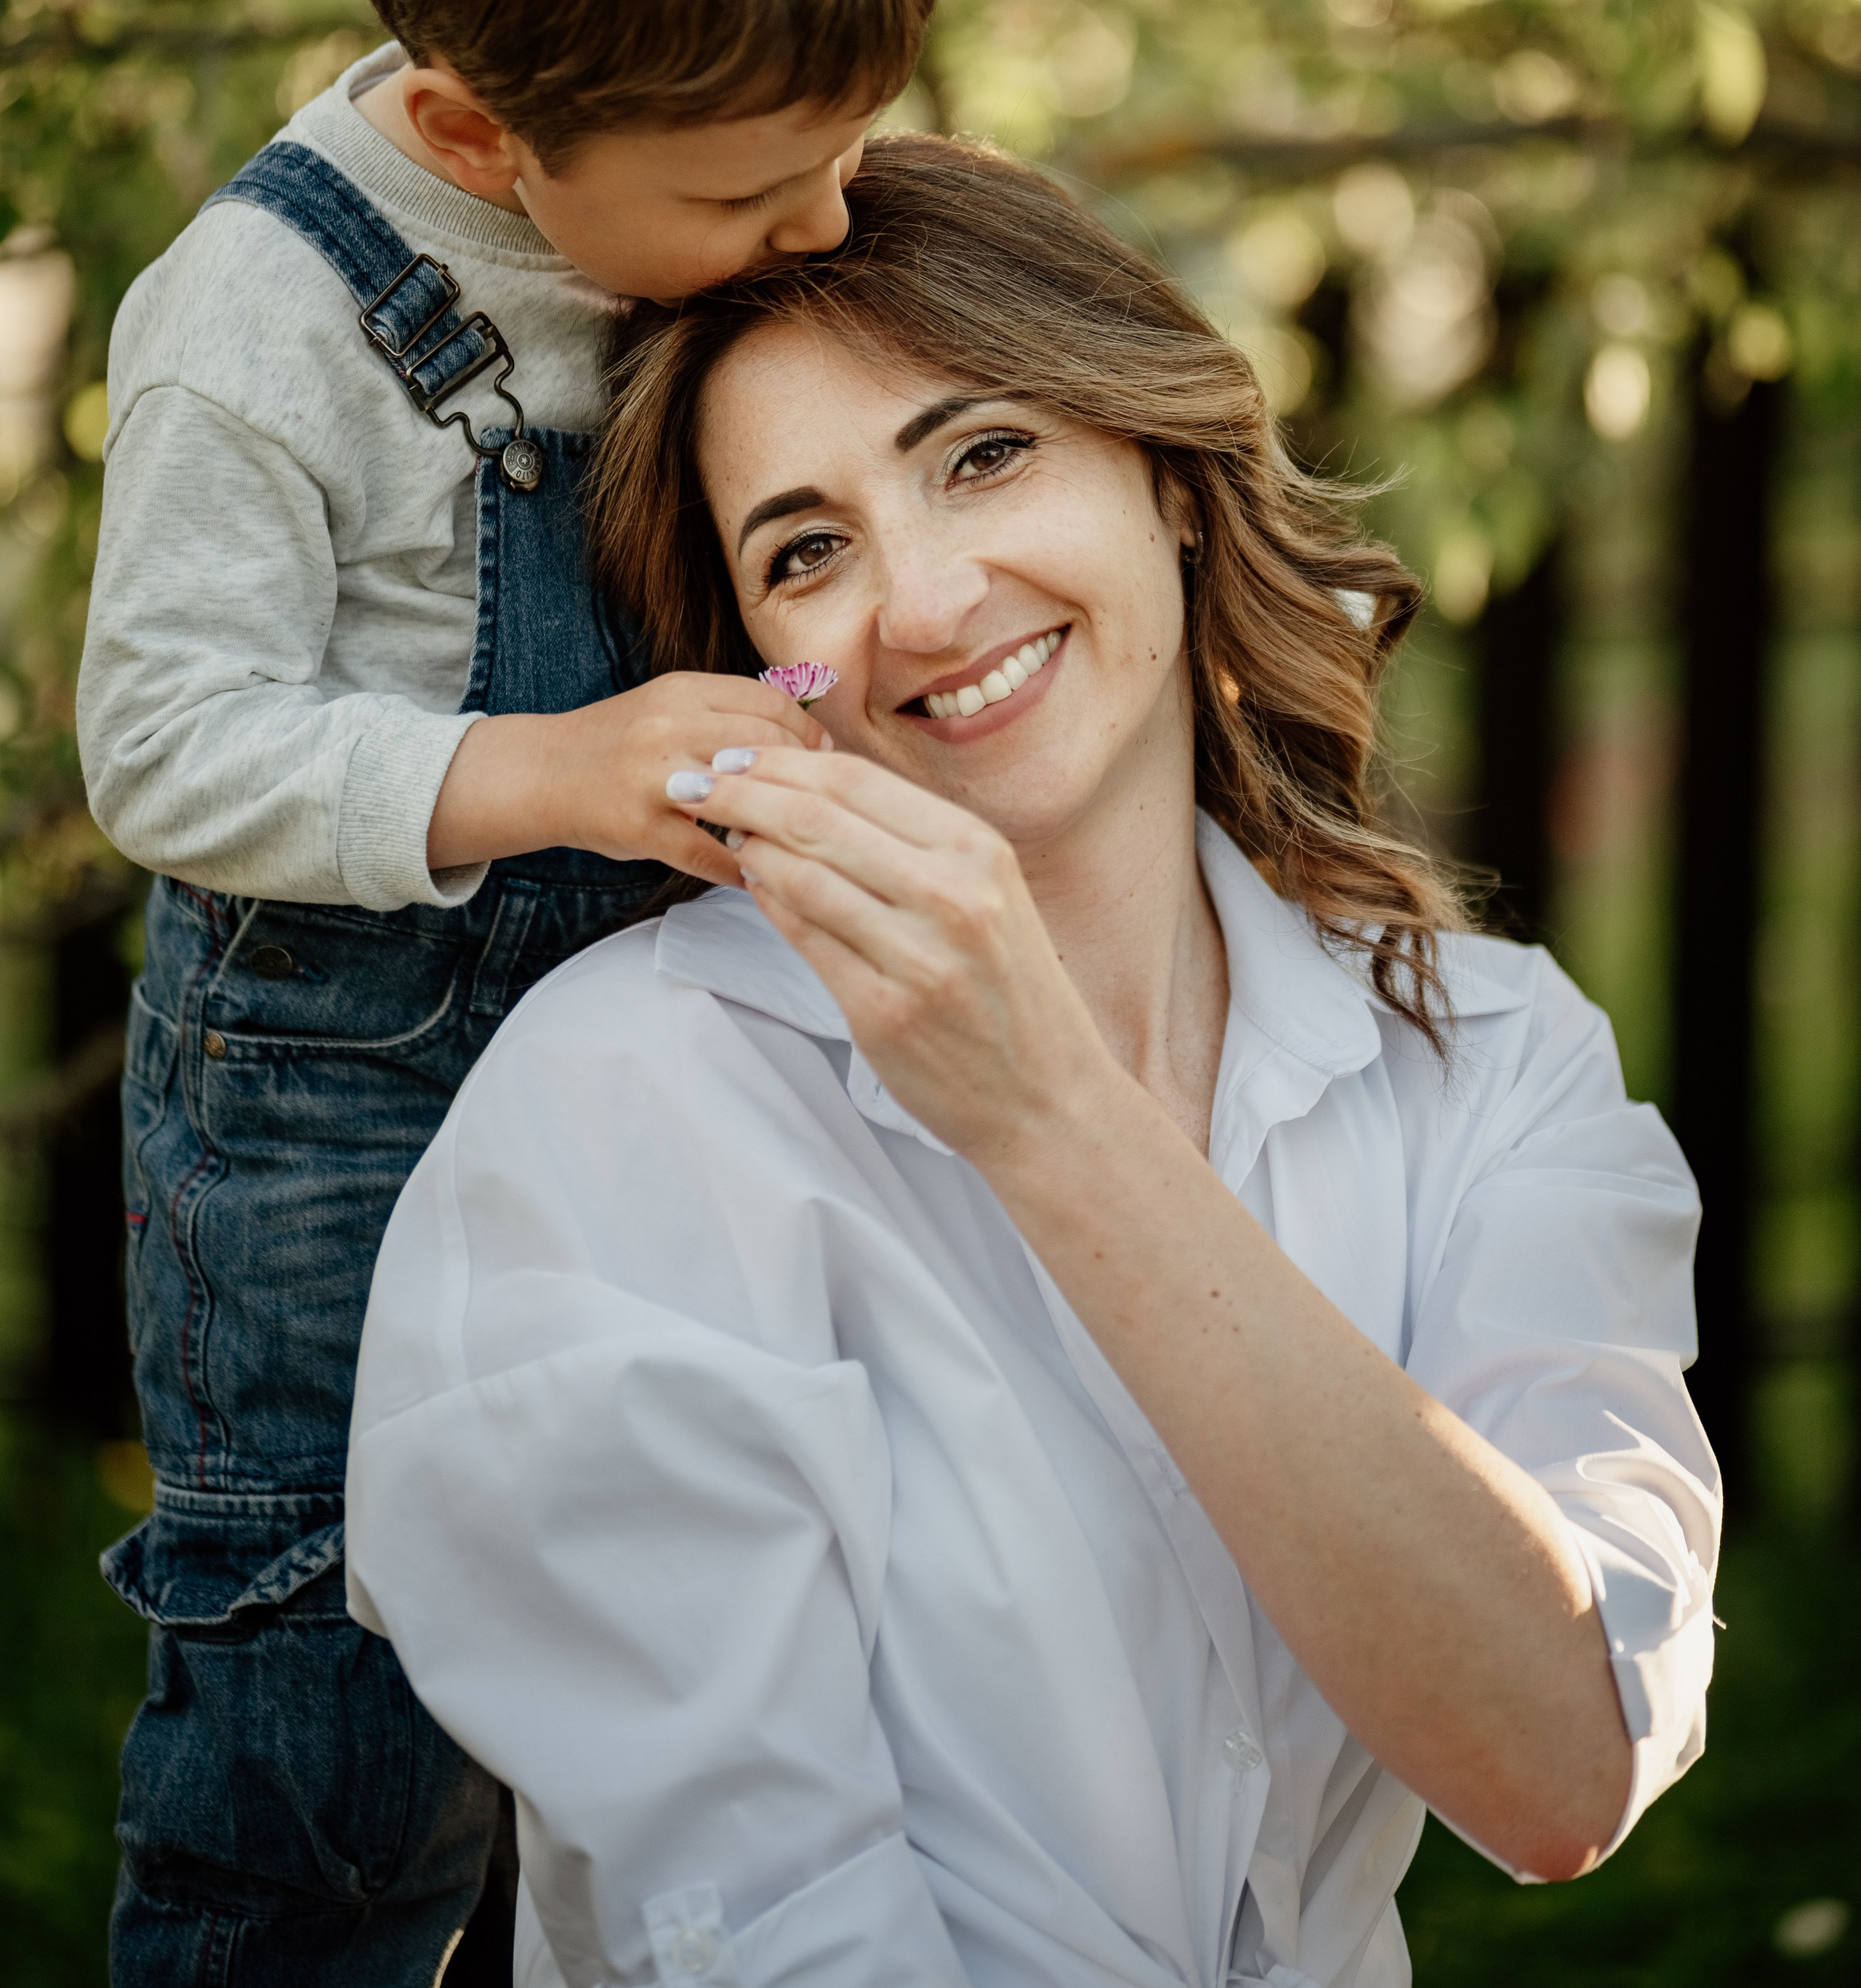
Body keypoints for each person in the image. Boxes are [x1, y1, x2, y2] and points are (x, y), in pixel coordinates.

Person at [345, 133, 1719, 1988]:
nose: (918, 605)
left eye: (983, 453)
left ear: (1159, 473)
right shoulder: (621, 1107)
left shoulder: (1490, 1064)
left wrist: (1051, 1113)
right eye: (806, 548)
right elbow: (753, 1932)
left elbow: (1563, 1766)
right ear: (757, 661)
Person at [75, 0, 937, 1987]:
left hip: (650, 1052)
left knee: (635, 1671)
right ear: (477, 130)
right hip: (342, 1104)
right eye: (768, 183)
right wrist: (548, 766)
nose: (831, 224)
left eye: (854, 145)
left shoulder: (705, 147)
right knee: (346, 1720)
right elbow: (159, 741)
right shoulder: (269, 321)